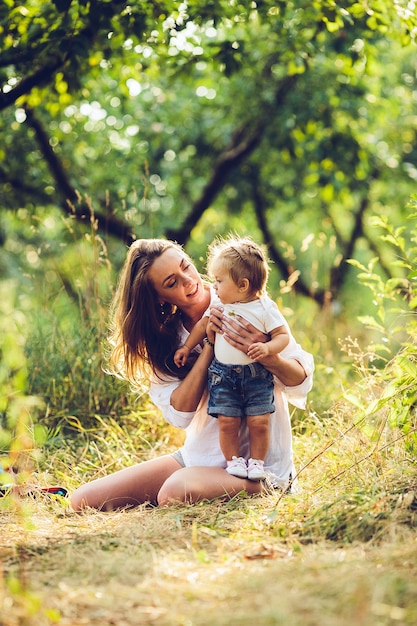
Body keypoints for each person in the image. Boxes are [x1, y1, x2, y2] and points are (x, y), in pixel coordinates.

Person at [70, 238, 314, 512]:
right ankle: (202, 482)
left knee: (174, 491)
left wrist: (267, 355)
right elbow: (180, 414)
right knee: (84, 501)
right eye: (172, 283)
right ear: (159, 298)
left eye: (186, 266)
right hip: (202, 458)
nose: (188, 281)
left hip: (260, 465)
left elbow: (300, 382)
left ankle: (272, 485)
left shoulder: (248, 303)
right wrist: (210, 346)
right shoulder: (166, 339)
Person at [174, 235, 290, 481]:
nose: (213, 286)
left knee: (259, 422)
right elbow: (202, 327)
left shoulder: (264, 308)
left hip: (257, 378)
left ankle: (257, 463)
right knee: (227, 422)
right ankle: (233, 461)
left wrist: (268, 349)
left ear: (243, 285)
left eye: (219, 280)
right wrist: (186, 347)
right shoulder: (220, 305)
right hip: (223, 377)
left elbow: (283, 336)